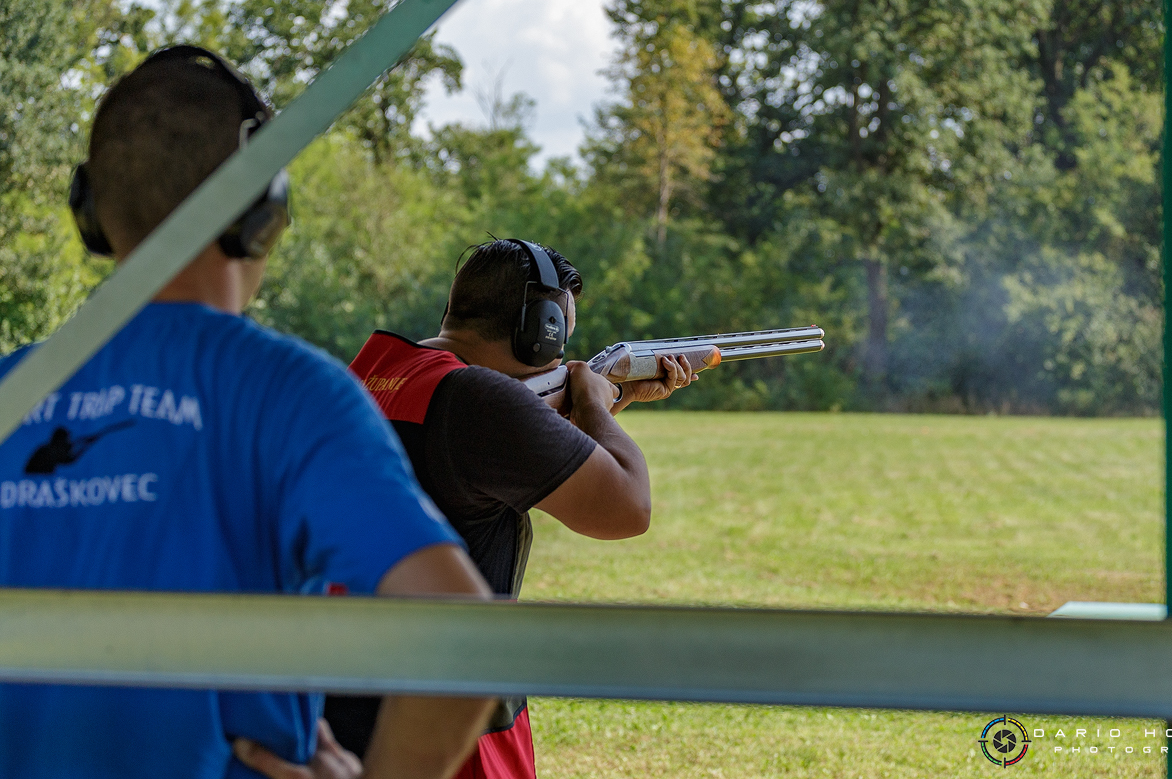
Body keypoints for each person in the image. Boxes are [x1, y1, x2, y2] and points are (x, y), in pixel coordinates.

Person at [0, 46, 495, 779]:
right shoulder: (293, 395)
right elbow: (458, 632)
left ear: (92, 211)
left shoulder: (12, 391)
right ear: (262, 209)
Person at [325, 238, 694, 779]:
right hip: (454, 719)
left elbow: (479, 463)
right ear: (541, 328)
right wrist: (594, 403)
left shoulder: (372, 372)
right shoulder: (478, 399)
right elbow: (627, 507)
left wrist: (610, 405)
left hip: (342, 699)